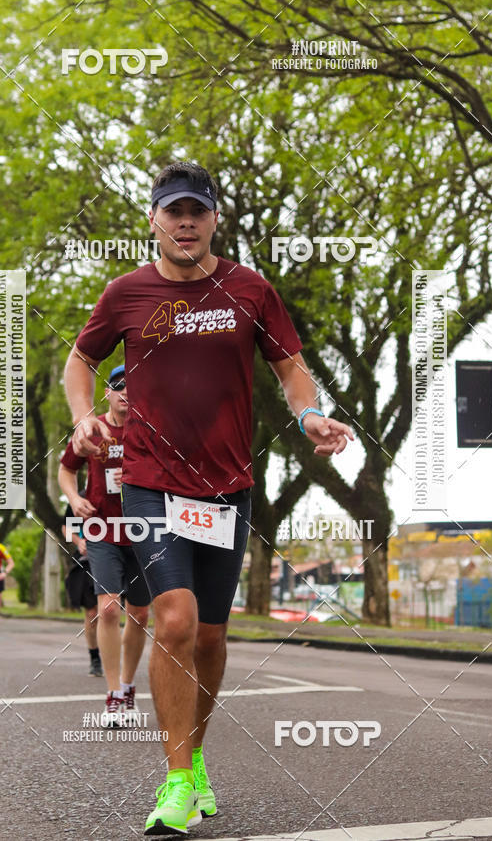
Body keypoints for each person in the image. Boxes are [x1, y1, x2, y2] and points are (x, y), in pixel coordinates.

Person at [64, 161, 354, 836]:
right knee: (172, 622)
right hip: (149, 483)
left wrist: (310, 415)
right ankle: (173, 784)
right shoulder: (127, 293)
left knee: (214, 638)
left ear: (215, 218)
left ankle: (194, 762)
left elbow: (289, 365)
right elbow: (81, 358)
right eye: (173, 211)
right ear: (154, 219)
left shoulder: (250, 288)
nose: (185, 221)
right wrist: (83, 413)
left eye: (197, 210)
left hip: (227, 486)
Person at [58, 365, 151, 725]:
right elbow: (67, 469)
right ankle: (113, 695)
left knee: (140, 615)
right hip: (101, 529)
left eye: (134, 386)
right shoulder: (92, 429)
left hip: (144, 531)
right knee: (109, 609)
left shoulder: (152, 431)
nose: (126, 392)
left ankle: (128, 685)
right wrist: (74, 499)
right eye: (119, 387)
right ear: (108, 393)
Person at [62, 493, 103, 677]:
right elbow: (65, 527)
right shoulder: (80, 498)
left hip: (116, 558)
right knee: (92, 613)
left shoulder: (120, 489)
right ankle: (95, 657)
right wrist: (79, 542)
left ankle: (116, 657)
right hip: (86, 562)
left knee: (110, 611)